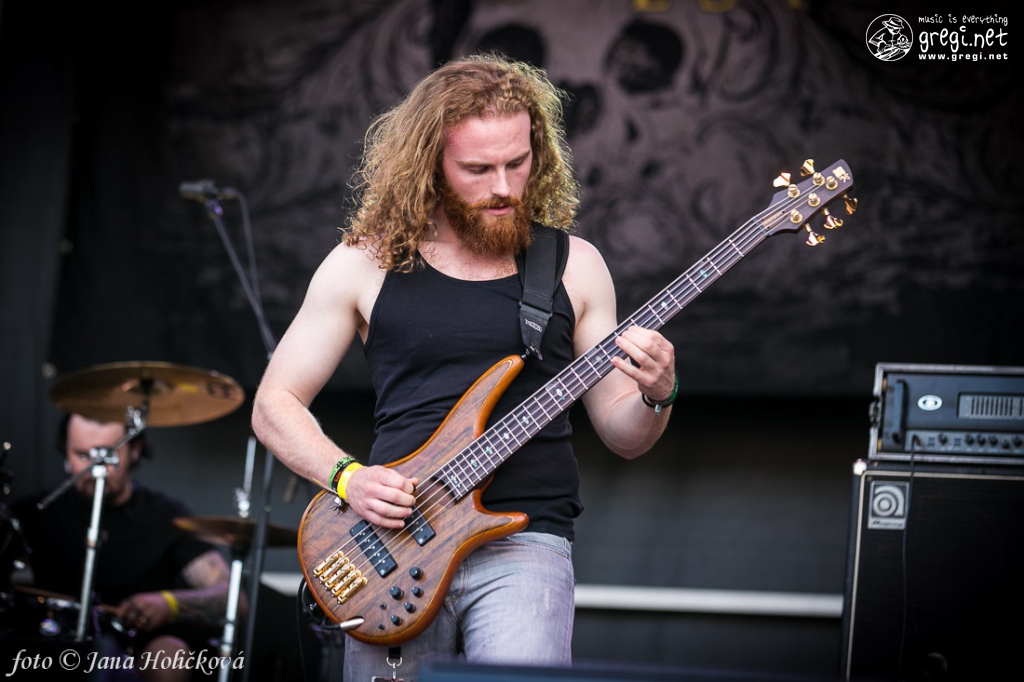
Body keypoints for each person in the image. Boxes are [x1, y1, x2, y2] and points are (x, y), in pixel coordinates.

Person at [251, 53, 677, 680]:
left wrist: (656, 395)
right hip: (391, 547)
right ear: (430, 164)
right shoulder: (363, 263)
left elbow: (623, 434)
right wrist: (348, 479)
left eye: (517, 162)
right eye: (478, 169)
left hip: (524, 541)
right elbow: (274, 404)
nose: (504, 186)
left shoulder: (575, 265)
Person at [11, 413, 240, 682]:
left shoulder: (165, 517)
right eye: (83, 455)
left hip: (135, 653)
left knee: (171, 655)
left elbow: (233, 597)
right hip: (46, 647)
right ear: (65, 452)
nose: (95, 468)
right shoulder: (33, 513)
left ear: (134, 450)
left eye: (108, 456)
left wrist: (169, 603)